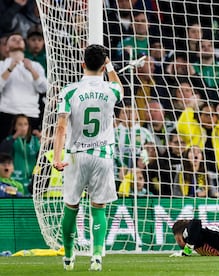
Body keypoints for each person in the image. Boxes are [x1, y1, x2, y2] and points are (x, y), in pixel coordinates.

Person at [52, 44, 123, 271]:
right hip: (102, 156)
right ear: (103, 66)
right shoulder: (111, 90)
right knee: (98, 207)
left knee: (71, 206)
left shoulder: (69, 91)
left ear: (82, 64)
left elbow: (61, 127)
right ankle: (96, 257)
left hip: (76, 156)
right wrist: (110, 66)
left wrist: (57, 157)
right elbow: (119, 86)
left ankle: (69, 257)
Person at [0, 32, 47, 142]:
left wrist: (31, 70)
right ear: (6, 47)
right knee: (5, 154)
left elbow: (44, 88)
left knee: (31, 153)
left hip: (31, 114)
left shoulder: (35, 66)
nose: (17, 40)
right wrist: (10, 68)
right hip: (7, 113)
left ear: (24, 45)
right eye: (13, 39)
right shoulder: (2, 65)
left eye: (20, 39)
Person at [0, 113, 40, 195]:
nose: (23, 127)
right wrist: (15, 136)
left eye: (25, 124)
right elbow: (3, 152)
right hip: (15, 179)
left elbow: (42, 157)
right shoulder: (10, 140)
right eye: (20, 124)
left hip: (31, 181)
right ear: (15, 126)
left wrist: (43, 142)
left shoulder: (35, 141)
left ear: (28, 126)